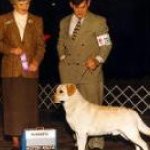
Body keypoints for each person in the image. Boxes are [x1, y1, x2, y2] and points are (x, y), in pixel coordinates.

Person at [57, 0, 112, 149]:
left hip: (90, 71)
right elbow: (60, 42)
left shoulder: (98, 21)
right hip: (68, 72)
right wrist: (62, 57)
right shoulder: (64, 22)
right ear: (70, 5)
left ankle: (96, 144)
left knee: (94, 109)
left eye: (83, 7)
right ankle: (80, 143)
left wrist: (97, 59)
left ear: (88, 3)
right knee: (73, 110)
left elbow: (106, 44)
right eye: (76, 7)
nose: (80, 11)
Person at [0, 0, 45, 149]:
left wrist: (36, 62)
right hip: (11, 69)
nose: (25, 7)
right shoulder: (4, 19)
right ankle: (15, 141)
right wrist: (11, 50)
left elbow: (41, 45)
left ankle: (29, 139)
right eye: (21, 4)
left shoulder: (37, 20)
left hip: (30, 70)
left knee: (29, 106)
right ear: (13, 4)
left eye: (27, 3)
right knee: (12, 106)